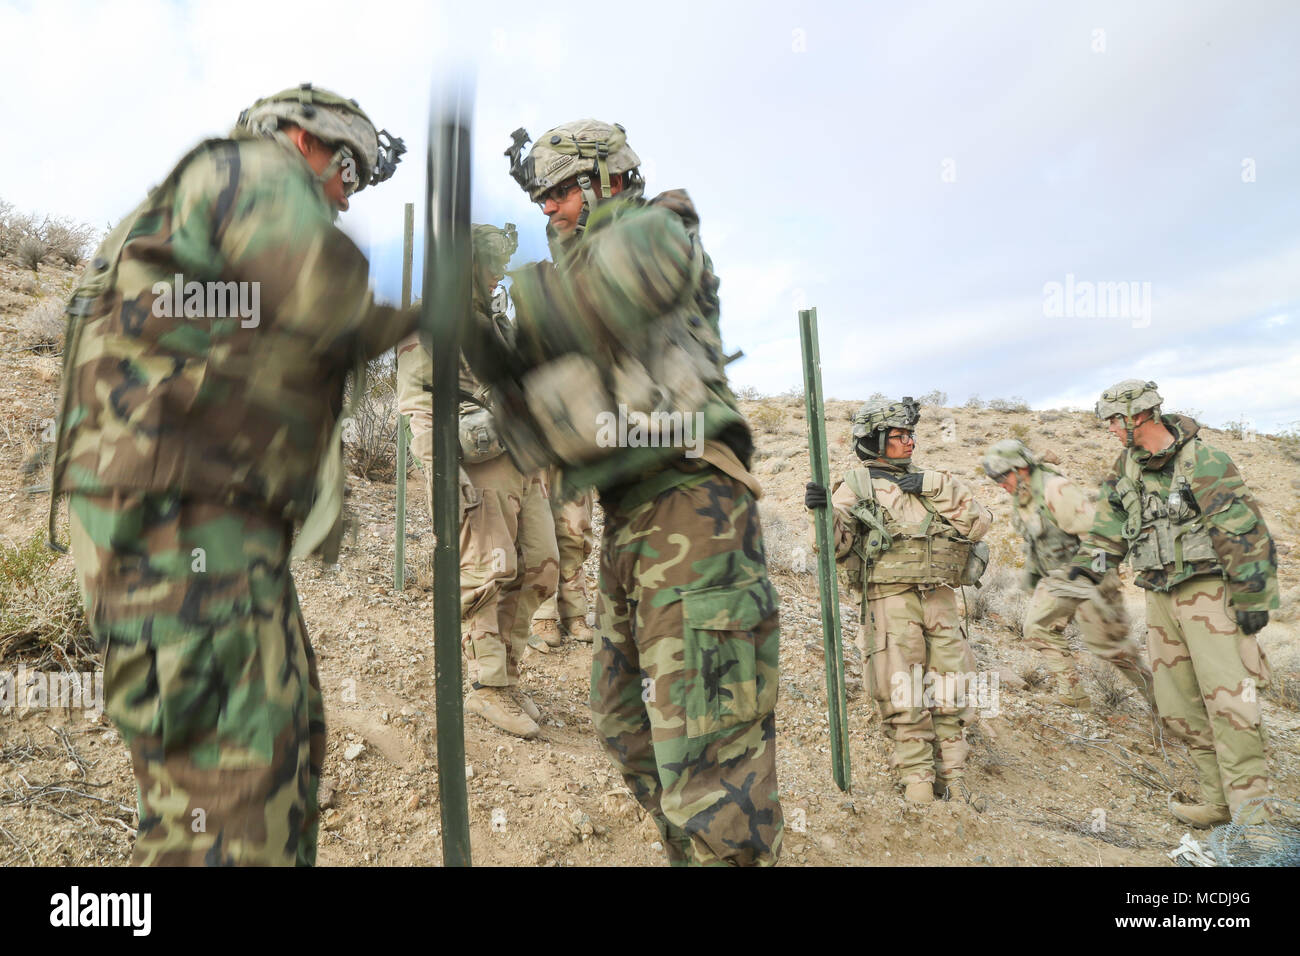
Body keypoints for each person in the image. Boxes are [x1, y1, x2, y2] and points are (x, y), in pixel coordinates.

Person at [50, 83, 411, 865]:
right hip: (182, 529)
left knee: (277, 761)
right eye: (349, 173)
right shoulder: (253, 168)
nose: (346, 199)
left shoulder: (200, 202)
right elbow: (327, 292)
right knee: (232, 811)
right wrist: (438, 289)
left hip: (201, 525)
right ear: (306, 140)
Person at [496, 119, 783, 865]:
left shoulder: (660, 232)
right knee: (627, 729)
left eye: (560, 191)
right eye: (542, 198)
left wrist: (514, 314)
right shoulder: (573, 281)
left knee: (711, 767)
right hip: (630, 524)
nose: (549, 210)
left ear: (608, 179)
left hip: (693, 503)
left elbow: (602, 290)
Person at [1067, 380, 1277, 827]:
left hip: (1210, 592)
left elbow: (1245, 531)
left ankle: (1253, 820)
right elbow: (1110, 525)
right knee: (1179, 705)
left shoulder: (1204, 460)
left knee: (1231, 703)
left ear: (1138, 416)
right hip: (1159, 597)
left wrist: (1253, 597)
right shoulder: (1127, 467)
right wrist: (1089, 567)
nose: (1107, 428)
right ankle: (1218, 803)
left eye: (1112, 420)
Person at [395, 224, 558, 739]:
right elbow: (419, 407)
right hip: (473, 469)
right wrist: (444, 475)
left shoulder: (497, 325)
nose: (495, 277)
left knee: (540, 566)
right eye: (488, 265)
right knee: (489, 573)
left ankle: (507, 677)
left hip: (522, 465)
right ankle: (488, 687)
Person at [805, 397, 992, 804]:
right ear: (874, 441)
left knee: (951, 690)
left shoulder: (933, 482)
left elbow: (978, 523)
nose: (909, 443)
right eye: (898, 436)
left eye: (910, 435)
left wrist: (934, 487)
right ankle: (918, 784)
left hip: (940, 600)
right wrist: (821, 514)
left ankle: (955, 780)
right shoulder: (855, 485)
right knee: (902, 693)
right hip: (889, 603)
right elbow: (832, 547)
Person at [980, 438, 1155, 710]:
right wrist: (1033, 584)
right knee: (1039, 628)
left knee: (1113, 649)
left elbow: (1098, 536)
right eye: (995, 479)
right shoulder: (1024, 498)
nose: (1000, 485)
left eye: (1002, 477)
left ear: (1020, 469)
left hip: (1088, 576)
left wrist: (1096, 579)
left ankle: (1166, 706)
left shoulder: (1055, 489)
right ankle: (1074, 698)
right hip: (1062, 579)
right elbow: (1037, 546)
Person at [529, 474, 596, 650]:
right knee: (538, 531)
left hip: (571, 453)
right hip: (533, 453)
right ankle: (543, 615)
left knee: (575, 531)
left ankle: (574, 612)